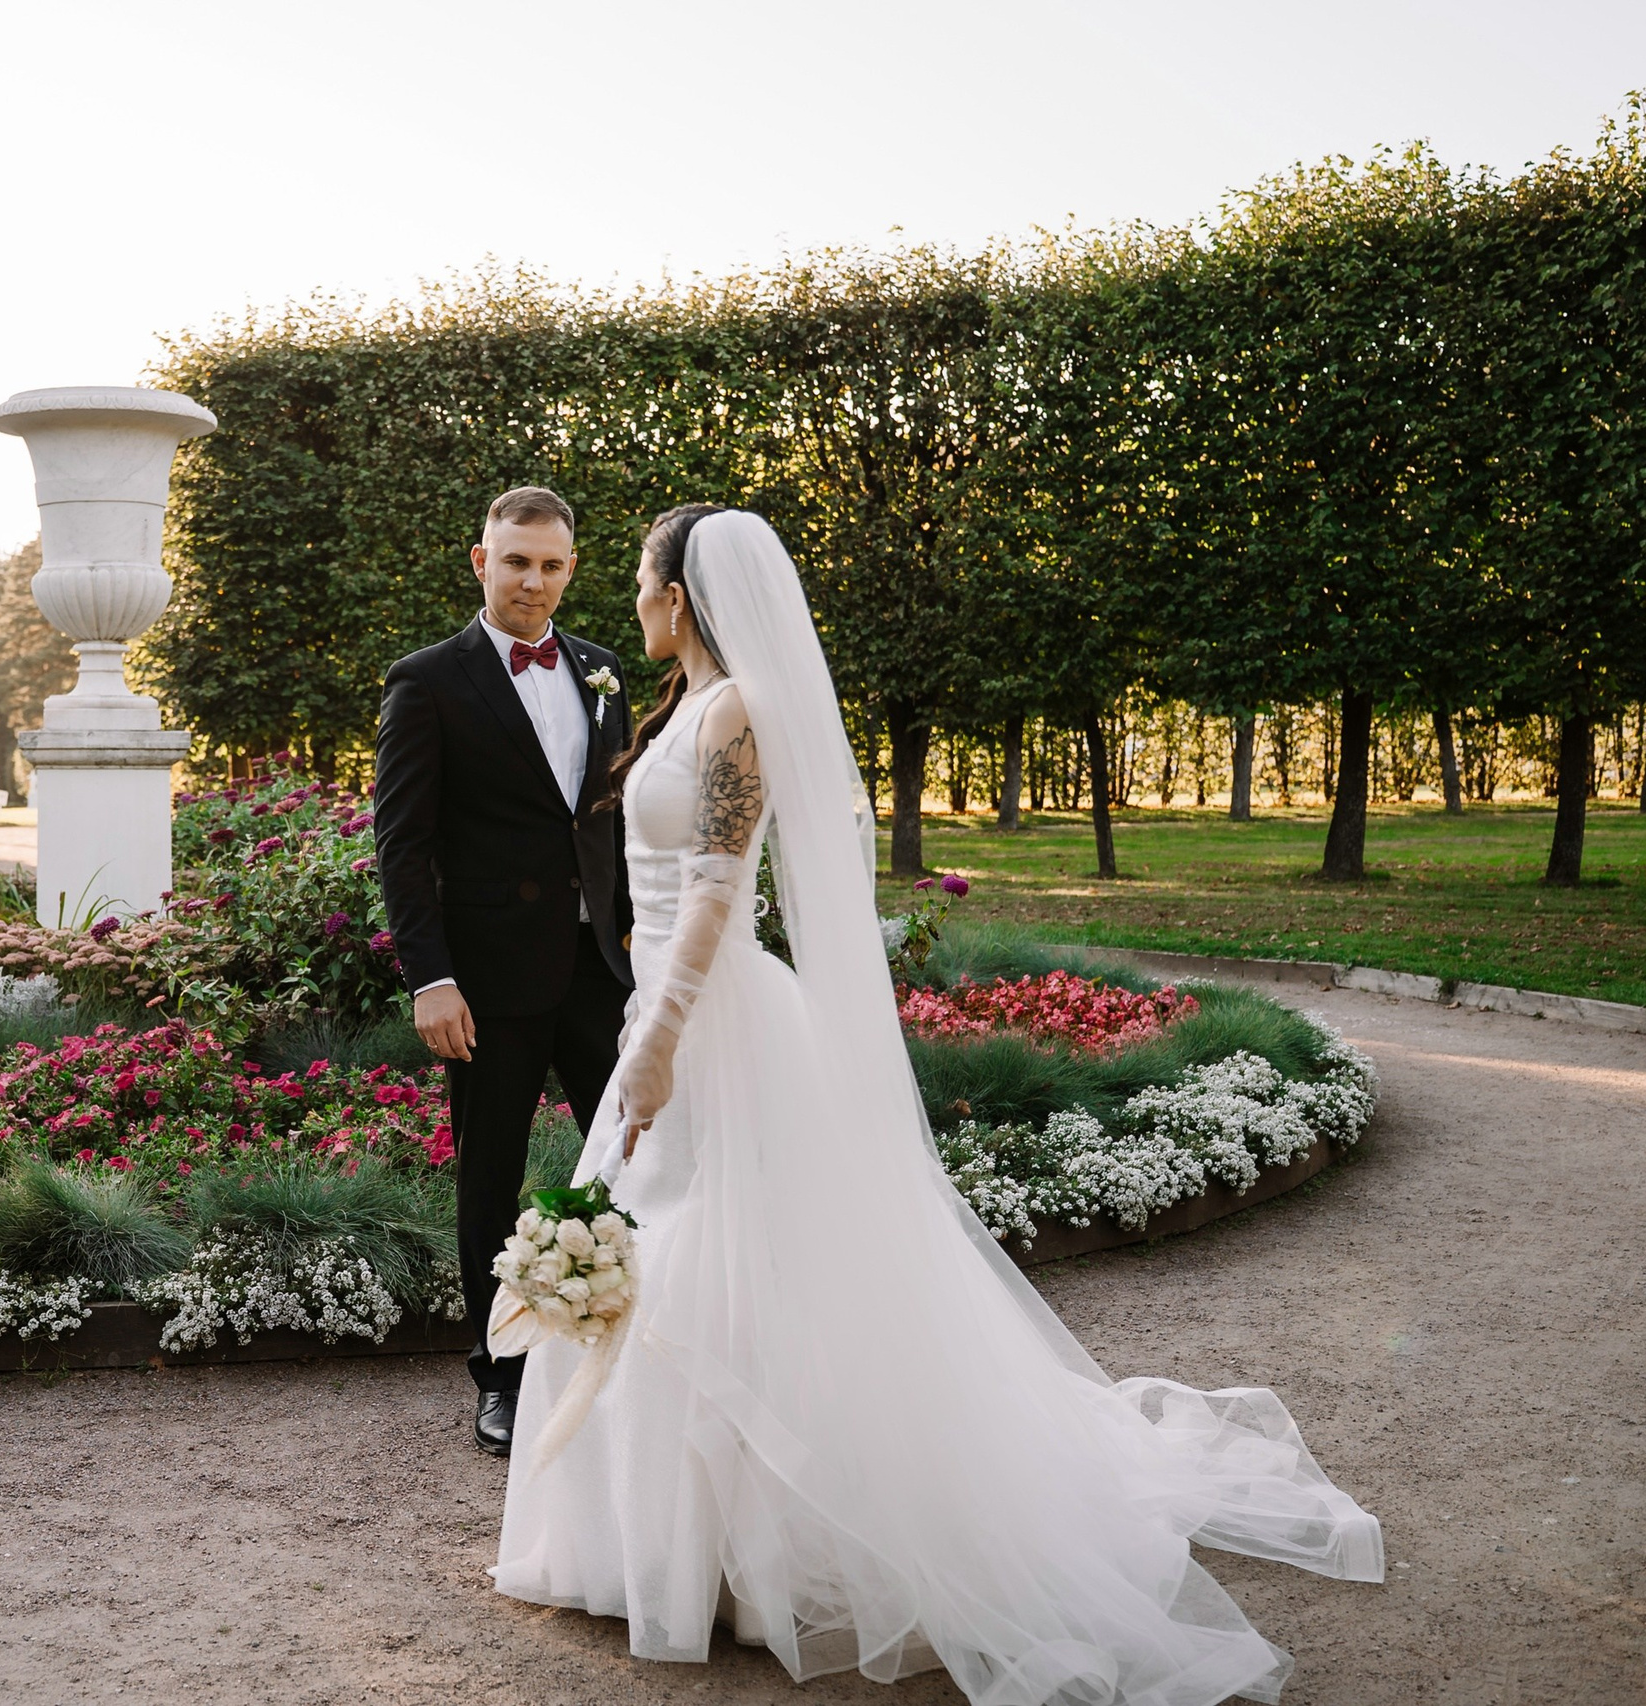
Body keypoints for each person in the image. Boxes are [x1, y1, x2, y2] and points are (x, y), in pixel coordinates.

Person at [492, 506, 1383, 1702]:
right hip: (664, 1010)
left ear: (682, 595)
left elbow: (712, 894)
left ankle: (756, 1553)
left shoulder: (738, 709)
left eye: (647, 580)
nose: (637, 600)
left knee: (721, 1262)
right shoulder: (677, 707)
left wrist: (655, 1041)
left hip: (715, 1024)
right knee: (663, 1253)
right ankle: (660, 1547)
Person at [373, 486, 634, 1457]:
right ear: (480, 561)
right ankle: (504, 1377)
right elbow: (402, 845)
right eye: (515, 560)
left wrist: (644, 954)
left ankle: (622, 1354)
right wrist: (430, 976)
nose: (532, 579)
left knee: (632, 1160)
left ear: (571, 568)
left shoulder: (603, 671)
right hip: (484, 982)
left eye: (551, 564)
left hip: (600, 973)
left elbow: (606, 829)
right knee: (490, 1178)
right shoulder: (428, 680)